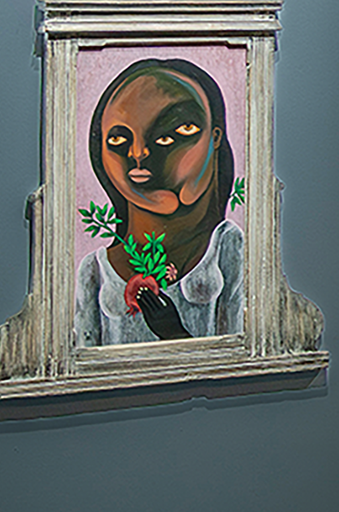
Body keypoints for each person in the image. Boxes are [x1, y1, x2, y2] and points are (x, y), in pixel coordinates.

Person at [74, 58, 244, 346]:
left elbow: (241, 363)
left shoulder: (228, 247)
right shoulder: (94, 271)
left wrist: (174, 335)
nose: (139, 153)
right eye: (118, 140)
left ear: (215, 138)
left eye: (179, 131)